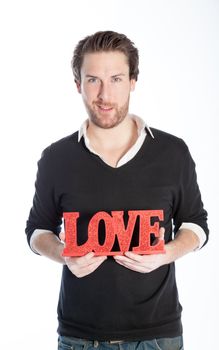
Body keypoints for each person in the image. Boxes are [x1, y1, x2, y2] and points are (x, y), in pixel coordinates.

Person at [25, 30, 209, 350]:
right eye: (93, 79)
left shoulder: (173, 152)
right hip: (79, 337)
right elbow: (37, 230)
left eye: (116, 79)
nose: (104, 94)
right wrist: (63, 255)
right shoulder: (55, 158)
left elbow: (196, 224)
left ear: (133, 81)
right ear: (78, 85)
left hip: (157, 335)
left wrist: (166, 253)